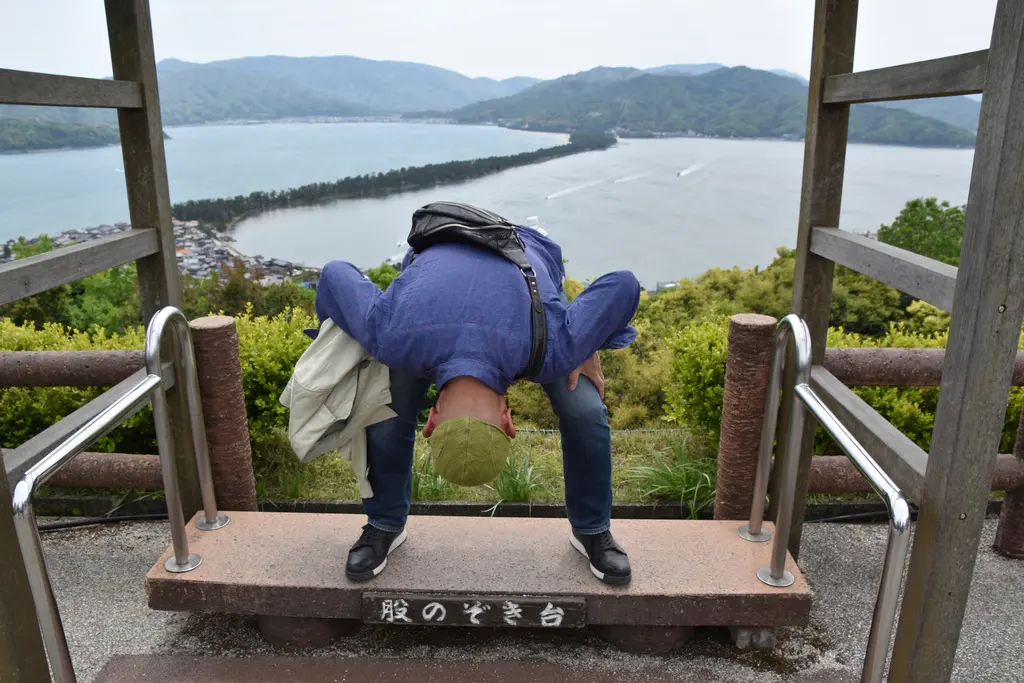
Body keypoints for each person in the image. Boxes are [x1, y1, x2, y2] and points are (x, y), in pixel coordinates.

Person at [314, 216, 641, 586]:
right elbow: (334, 274)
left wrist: (586, 339)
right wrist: (584, 338)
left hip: (518, 255)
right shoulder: (391, 337)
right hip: (456, 281)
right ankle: (384, 522)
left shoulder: (549, 348)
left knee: (582, 410)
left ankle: (591, 529)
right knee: (388, 404)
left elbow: (625, 284)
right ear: (433, 420)